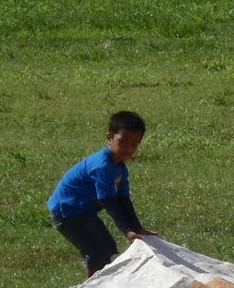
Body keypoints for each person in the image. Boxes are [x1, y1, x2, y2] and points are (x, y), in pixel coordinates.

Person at [47, 111, 154, 278]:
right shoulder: (102, 166)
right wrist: (127, 230)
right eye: (122, 142)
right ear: (109, 137)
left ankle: (99, 285)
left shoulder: (119, 167)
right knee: (96, 252)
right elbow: (108, 201)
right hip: (67, 213)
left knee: (107, 248)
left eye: (134, 144)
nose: (127, 149)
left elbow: (123, 199)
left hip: (83, 212)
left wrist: (137, 227)